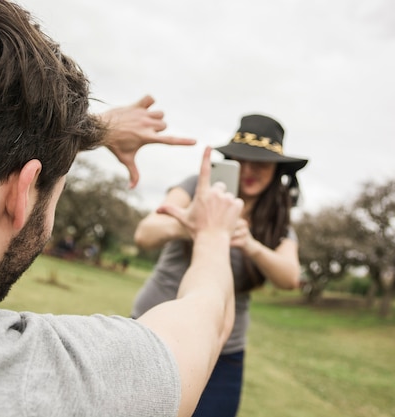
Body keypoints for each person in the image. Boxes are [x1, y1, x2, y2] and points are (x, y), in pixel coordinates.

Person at [0, 1, 244, 416]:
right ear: (21, 196)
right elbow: (207, 322)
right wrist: (214, 233)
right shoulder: (28, 381)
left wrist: (86, 130)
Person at [132, 114, 310, 417]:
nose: (251, 171)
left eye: (262, 163)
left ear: (277, 170)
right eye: (244, 160)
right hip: (153, 329)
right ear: (230, 160)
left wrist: (251, 244)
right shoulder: (196, 188)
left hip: (223, 352)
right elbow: (144, 234)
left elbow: (289, 277)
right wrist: (193, 225)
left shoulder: (276, 219)